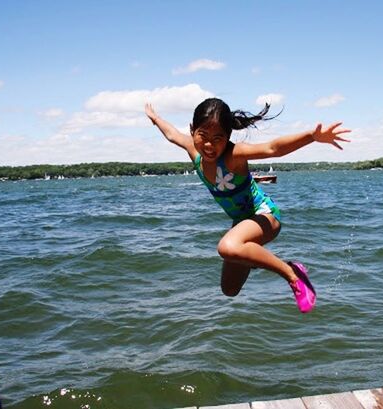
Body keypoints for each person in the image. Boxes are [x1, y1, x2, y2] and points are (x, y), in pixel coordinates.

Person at [145, 98, 350, 313]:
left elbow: (273, 149)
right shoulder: (193, 150)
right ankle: (252, 256)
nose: (209, 145)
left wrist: (312, 136)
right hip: (242, 222)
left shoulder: (234, 156)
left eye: (218, 138)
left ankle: (292, 274)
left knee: (226, 247)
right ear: (192, 130)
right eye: (203, 136)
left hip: (265, 215)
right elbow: (171, 134)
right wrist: (156, 118)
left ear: (228, 137)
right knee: (229, 289)